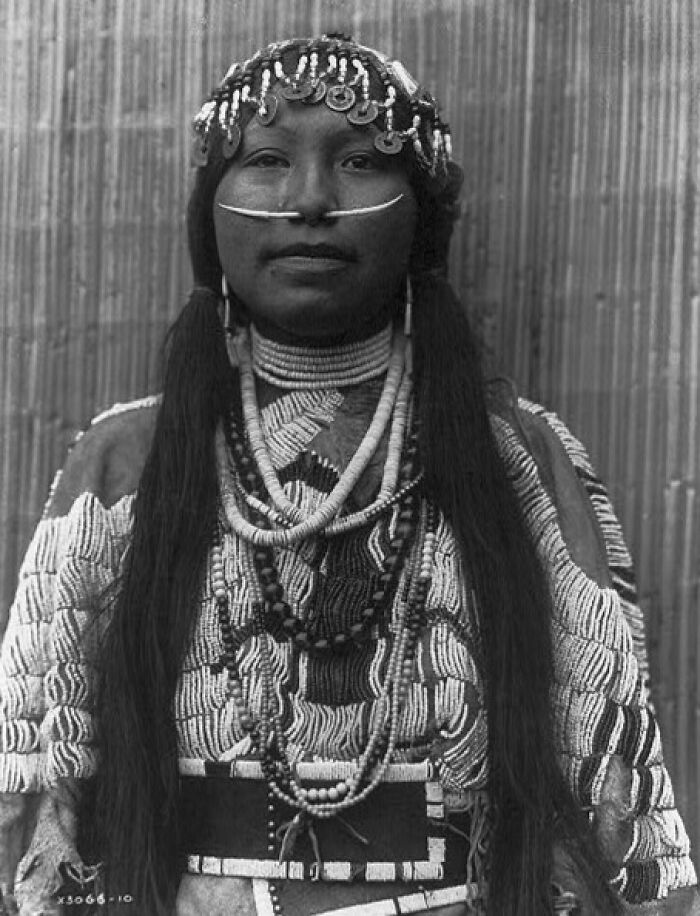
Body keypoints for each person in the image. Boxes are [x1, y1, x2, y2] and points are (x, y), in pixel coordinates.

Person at [0, 33, 697, 916]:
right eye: (264, 160)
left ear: (420, 213)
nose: (311, 198)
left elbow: (611, 784)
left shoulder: (515, 457)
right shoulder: (123, 463)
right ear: (210, 215)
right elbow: (39, 792)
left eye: (362, 159)